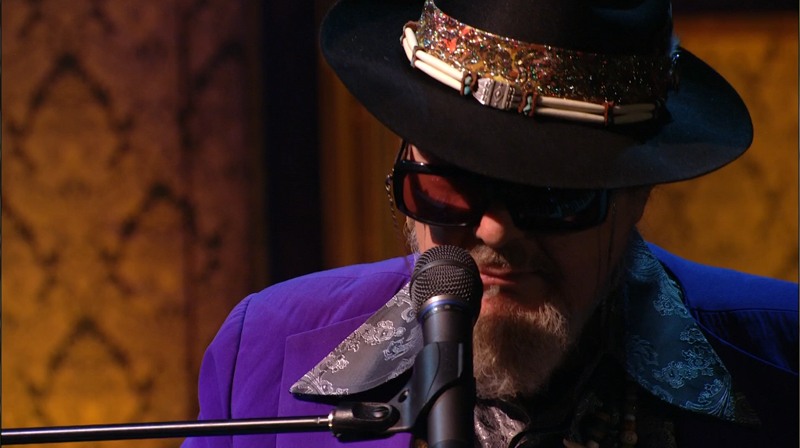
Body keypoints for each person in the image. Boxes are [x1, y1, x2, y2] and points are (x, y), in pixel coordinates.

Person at [182, 0, 798, 447]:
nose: (496, 231)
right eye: (450, 186)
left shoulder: (784, 367)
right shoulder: (261, 355)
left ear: (637, 194)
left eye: (551, 195)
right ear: (402, 167)